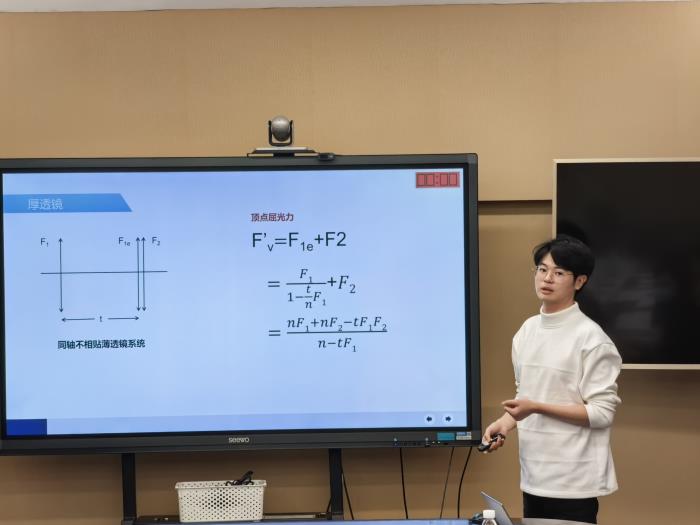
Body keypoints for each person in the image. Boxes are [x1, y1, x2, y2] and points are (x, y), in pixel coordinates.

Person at [482, 235, 621, 524]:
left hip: (575, 482)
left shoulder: (592, 339)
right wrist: (505, 423)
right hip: (534, 477)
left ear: (579, 282)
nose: (547, 278)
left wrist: (537, 407)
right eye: (542, 269)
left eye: (559, 273)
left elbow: (602, 413)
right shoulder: (527, 331)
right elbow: (527, 393)